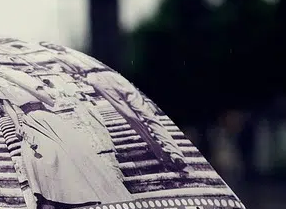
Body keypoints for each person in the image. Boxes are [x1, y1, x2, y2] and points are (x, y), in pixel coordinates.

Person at [0, 52, 131, 209]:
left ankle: (83, 196)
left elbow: (49, 100)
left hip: (47, 118)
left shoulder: (17, 76)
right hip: (29, 121)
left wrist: (15, 80)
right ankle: (54, 200)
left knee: (64, 156)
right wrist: (17, 126)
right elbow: (9, 109)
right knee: (33, 160)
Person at [38, 41, 189, 173]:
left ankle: (176, 154)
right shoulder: (58, 59)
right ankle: (163, 155)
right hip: (96, 78)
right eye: (47, 46)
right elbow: (62, 75)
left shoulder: (81, 51)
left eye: (50, 44)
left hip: (112, 74)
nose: (50, 46)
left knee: (147, 113)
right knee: (132, 117)